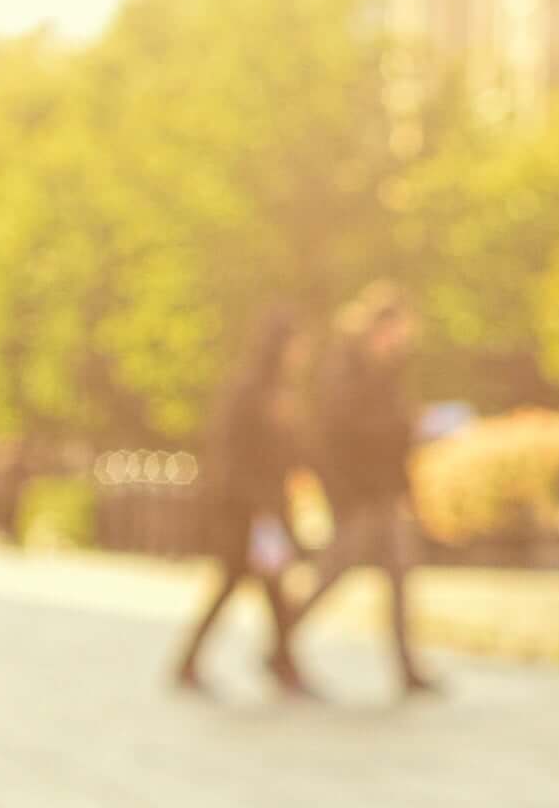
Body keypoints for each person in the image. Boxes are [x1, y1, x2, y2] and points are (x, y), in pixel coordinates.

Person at [297, 285, 440, 696]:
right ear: (379, 328)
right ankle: (282, 641)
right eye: (398, 331)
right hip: (357, 495)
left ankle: (406, 667)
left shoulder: (386, 372)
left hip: (384, 494)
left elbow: (391, 438)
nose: (402, 341)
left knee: (399, 575)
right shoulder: (346, 370)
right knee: (333, 572)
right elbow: (338, 436)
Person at [173, 311, 314, 698]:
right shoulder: (251, 391)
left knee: (265, 587)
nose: (303, 354)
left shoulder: (279, 390)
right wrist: (256, 506)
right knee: (247, 584)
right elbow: (235, 453)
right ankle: (281, 667)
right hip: (247, 510)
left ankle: (281, 665)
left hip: (264, 507)